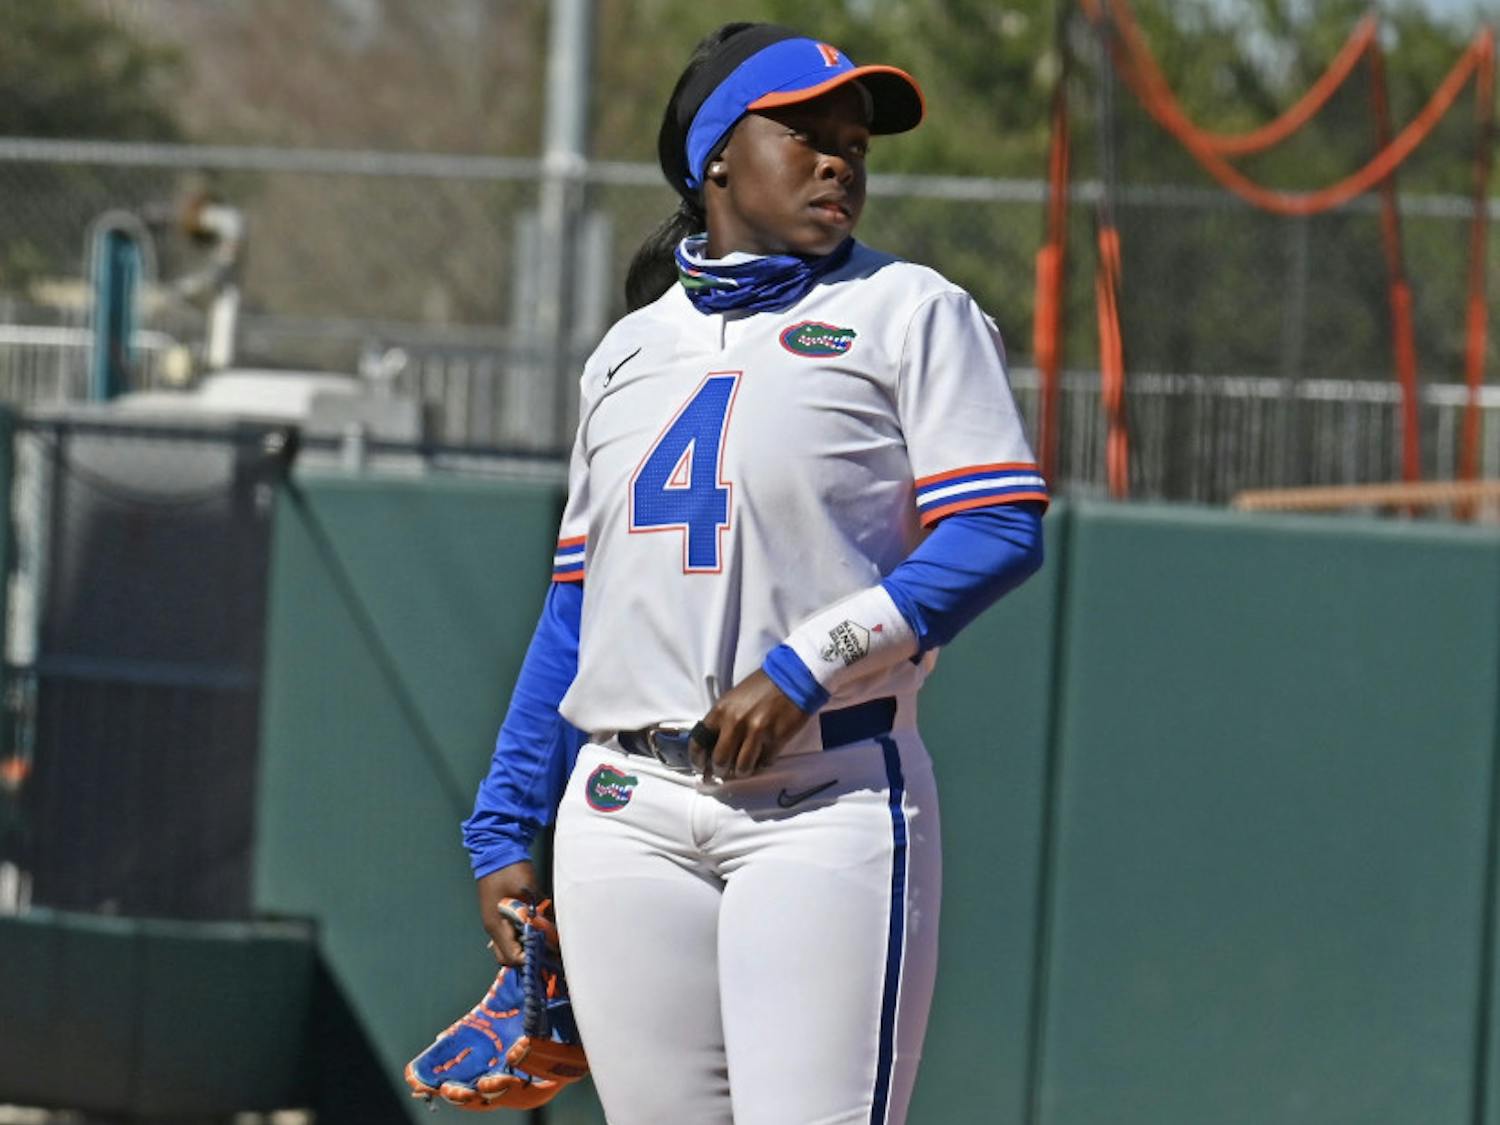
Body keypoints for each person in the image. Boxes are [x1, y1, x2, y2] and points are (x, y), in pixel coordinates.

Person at [461, 22, 1047, 1124]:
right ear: (716, 156)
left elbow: (1000, 529)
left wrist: (806, 665)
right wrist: (505, 823)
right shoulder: (627, 351)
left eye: (857, 146)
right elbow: (577, 605)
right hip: (625, 811)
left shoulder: (909, 311)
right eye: (808, 134)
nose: (841, 161)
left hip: (824, 799)